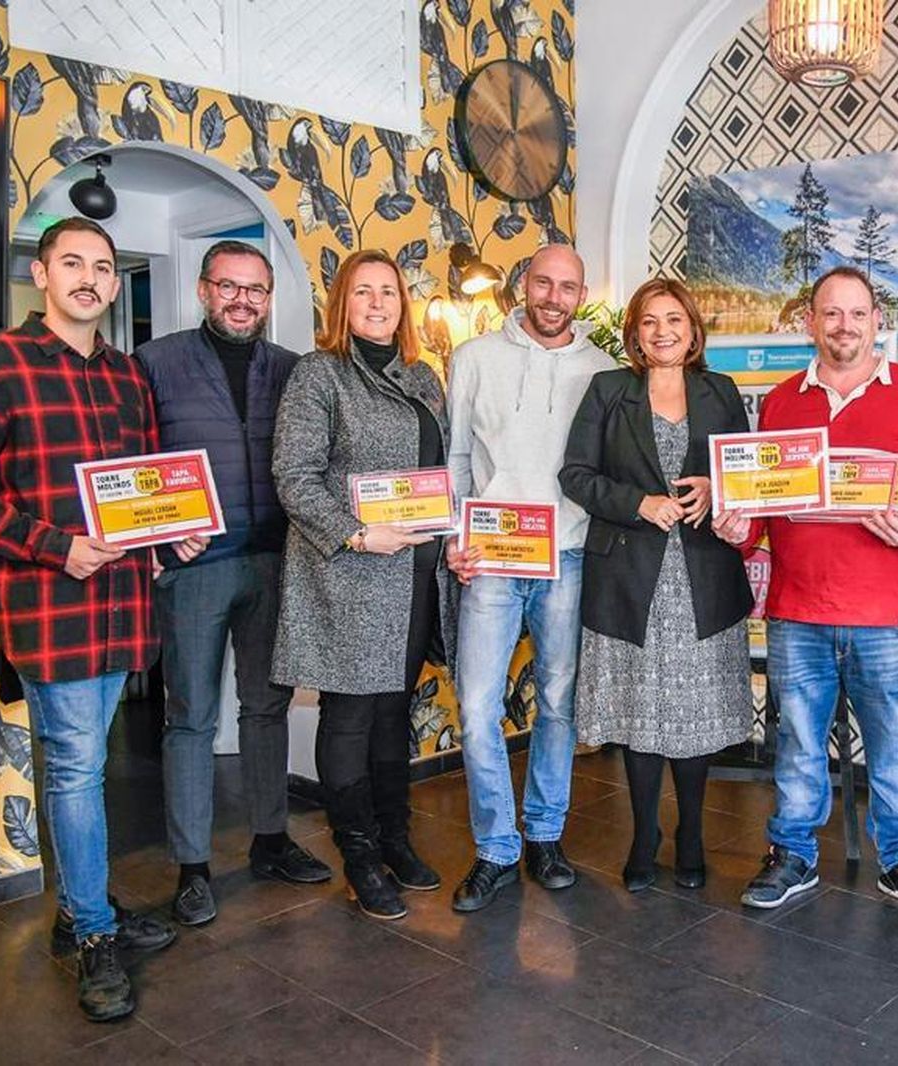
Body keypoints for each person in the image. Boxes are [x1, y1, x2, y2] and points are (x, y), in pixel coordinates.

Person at [0, 217, 200, 1022]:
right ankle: (94, 937)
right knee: (78, 768)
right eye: (72, 263)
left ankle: (79, 909)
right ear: (40, 275)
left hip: (122, 610)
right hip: (50, 604)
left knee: (87, 765)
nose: (89, 277)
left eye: (104, 267)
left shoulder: (126, 377)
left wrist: (167, 533)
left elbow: (142, 488)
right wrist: (52, 545)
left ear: (116, 284)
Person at [716, 266, 898, 922]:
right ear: (809, 322)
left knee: (892, 739)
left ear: (877, 319)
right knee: (799, 740)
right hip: (799, 609)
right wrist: (742, 531)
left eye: (857, 314)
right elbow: (763, 506)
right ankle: (792, 855)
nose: (844, 326)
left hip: (889, 612)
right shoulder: (780, 402)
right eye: (831, 314)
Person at [136, 241, 329, 927]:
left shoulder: (294, 371)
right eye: (228, 286)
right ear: (204, 290)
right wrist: (159, 535)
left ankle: (271, 839)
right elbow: (129, 467)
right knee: (188, 717)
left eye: (255, 289)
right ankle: (192, 866)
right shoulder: (155, 363)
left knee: (266, 709)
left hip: (277, 561)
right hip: (194, 567)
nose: (241, 299)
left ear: (269, 297)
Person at [271, 249, 453, 921]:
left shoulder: (424, 377)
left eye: (389, 292)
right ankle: (360, 856)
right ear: (341, 304)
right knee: (348, 716)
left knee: (392, 711)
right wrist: (356, 532)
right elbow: (294, 475)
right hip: (348, 571)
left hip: (412, 577)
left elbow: (441, 472)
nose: (378, 303)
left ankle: (396, 840)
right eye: (363, 293)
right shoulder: (320, 375)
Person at [559, 278, 754, 892]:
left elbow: (749, 474)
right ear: (635, 334)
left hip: (703, 575)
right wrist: (637, 503)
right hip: (629, 577)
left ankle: (691, 835)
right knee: (640, 715)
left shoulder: (721, 392)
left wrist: (716, 491)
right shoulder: (608, 390)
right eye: (649, 321)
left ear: (693, 330)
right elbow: (576, 475)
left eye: (674, 319)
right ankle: (645, 836)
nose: (662, 331)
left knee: (696, 718)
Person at [445, 244, 613, 913]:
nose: (554, 297)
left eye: (568, 286)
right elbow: (458, 455)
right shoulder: (474, 358)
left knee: (559, 704)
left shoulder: (603, 370)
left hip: (567, 556)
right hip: (489, 558)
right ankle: (496, 847)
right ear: (523, 285)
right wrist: (457, 537)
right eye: (543, 282)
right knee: (477, 707)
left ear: (580, 294)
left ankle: (544, 834)